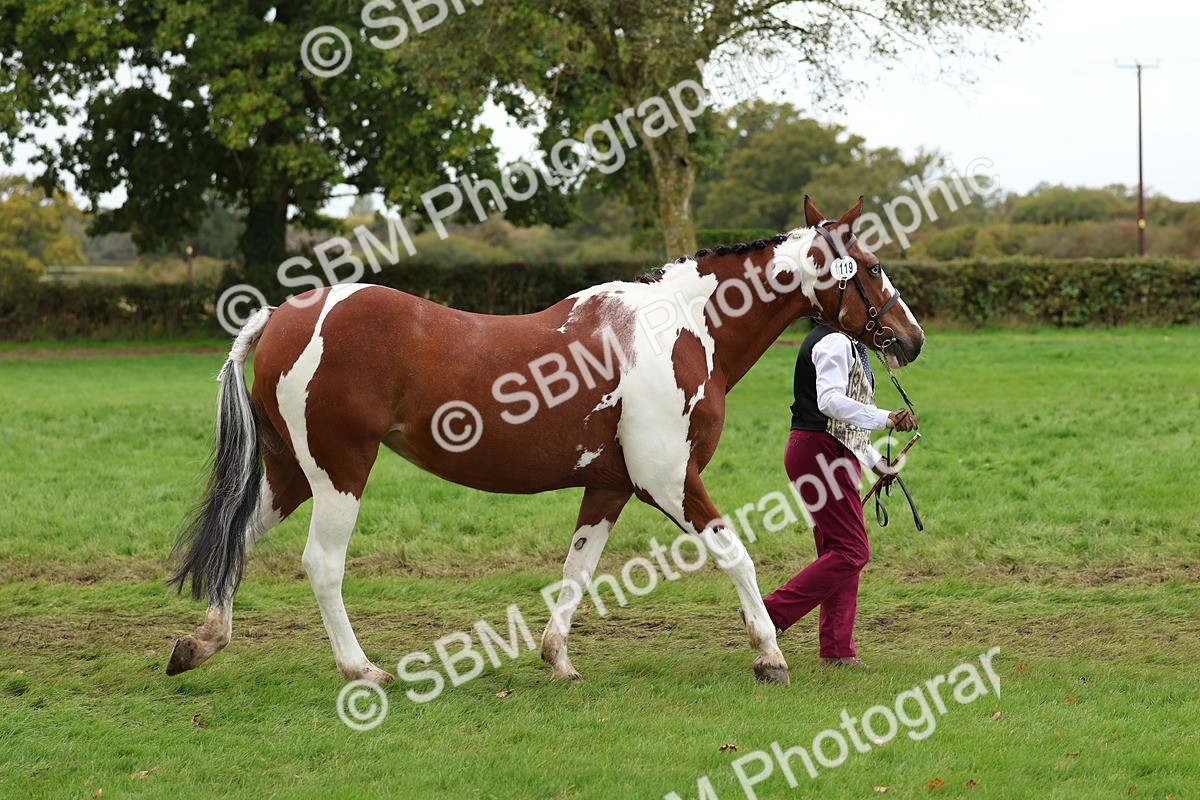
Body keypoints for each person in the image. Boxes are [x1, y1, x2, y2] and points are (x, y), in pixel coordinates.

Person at [762, 322, 918, 668]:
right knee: (852, 551)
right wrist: (886, 418)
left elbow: (845, 420)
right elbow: (830, 402)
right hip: (821, 452)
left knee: (839, 552)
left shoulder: (846, 341)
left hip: (831, 450)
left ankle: (837, 650)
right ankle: (768, 612)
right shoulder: (834, 341)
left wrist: (875, 461)